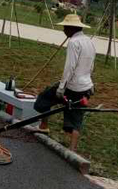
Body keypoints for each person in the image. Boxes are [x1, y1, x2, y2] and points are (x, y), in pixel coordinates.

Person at [34, 12, 96, 151]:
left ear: (71, 28)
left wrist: (61, 88)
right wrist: (90, 83)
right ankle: (72, 150)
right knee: (76, 117)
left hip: (72, 86)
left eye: (65, 27)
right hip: (85, 87)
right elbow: (91, 65)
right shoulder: (89, 41)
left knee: (43, 99)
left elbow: (70, 67)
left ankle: (44, 126)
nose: (63, 30)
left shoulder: (74, 42)